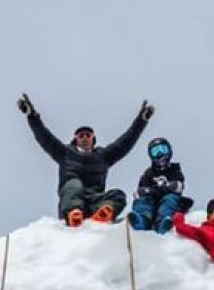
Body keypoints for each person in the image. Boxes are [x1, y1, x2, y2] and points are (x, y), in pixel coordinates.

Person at [17, 94, 154, 226]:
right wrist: (32, 115)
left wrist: (141, 120)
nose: (84, 137)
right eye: (80, 135)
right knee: (74, 184)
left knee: (118, 195)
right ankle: (74, 215)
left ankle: (103, 214)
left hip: (94, 200)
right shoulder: (65, 153)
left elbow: (125, 142)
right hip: (72, 199)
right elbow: (44, 137)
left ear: (92, 139)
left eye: (87, 135)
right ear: (76, 138)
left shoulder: (103, 156)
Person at [129, 137, 189, 234]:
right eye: (156, 152)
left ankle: (163, 223)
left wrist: (168, 186)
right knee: (143, 202)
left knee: (170, 199)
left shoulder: (174, 170)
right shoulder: (149, 173)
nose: (160, 154)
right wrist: (147, 192)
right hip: (152, 201)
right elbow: (141, 190)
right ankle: (141, 220)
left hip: (167, 199)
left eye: (163, 150)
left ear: (169, 151)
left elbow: (178, 186)